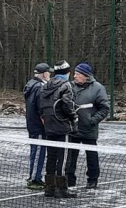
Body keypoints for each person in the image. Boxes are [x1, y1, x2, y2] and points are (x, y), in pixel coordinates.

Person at [64, 62, 110, 190]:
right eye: (75, 74)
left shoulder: (98, 88)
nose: (75, 76)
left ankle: (92, 180)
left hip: (89, 129)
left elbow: (104, 109)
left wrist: (92, 120)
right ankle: (69, 179)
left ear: (86, 76)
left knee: (92, 156)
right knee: (71, 157)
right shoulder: (70, 86)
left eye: (78, 74)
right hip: (73, 128)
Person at [37, 60, 76, 198]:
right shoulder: (66, 85)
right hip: (62, 126)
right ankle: (61, 188)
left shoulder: (46, 85)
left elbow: (40, 106)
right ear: (67, 73)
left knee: (51, 157)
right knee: (63, 158)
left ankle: (49, 187)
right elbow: (67, 104)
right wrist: (73, 117)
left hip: (49, 126)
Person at [22, 62, 51, 189]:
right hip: (38, 126)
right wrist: (46, 123)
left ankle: (35, 177)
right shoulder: (39, 87)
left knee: (36, 151)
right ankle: (34, 179)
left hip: (33, 124)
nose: (50, 74)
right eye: (48, 72)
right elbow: (41, 108)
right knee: (38, 152)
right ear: (44, 74)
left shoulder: (31, 84)